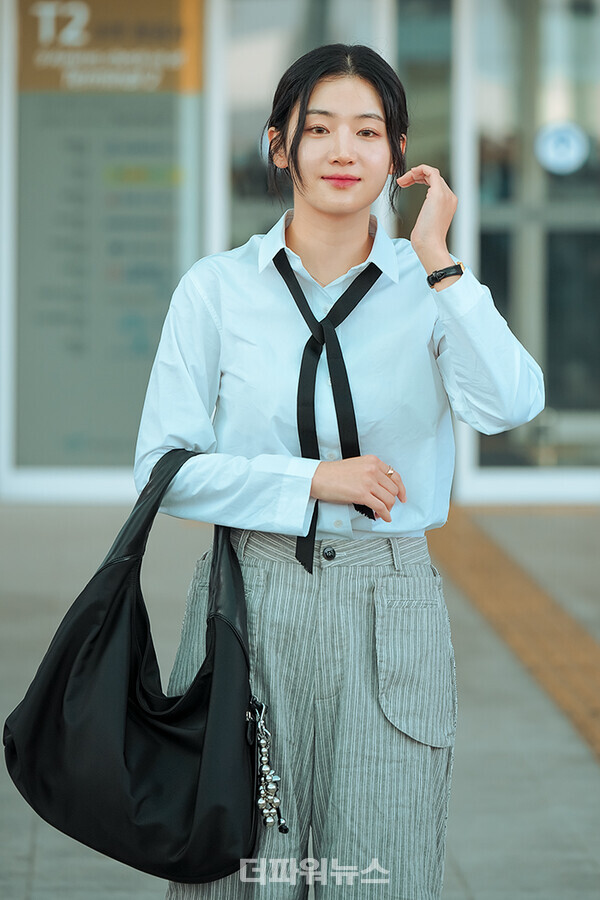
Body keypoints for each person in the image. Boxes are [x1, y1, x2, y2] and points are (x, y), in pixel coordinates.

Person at [134, 43, 544, 900]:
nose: (343, 151)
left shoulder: (425, 285)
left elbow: (510, 404)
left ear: (399, 155)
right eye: (318, 129)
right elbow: (164, 470)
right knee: (237, 874)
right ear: (279, 145)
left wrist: (439, 258)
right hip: (250, 598)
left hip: (388, 603)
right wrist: (310, 482)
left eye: (368, 130)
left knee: (379, 874)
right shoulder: (216, 290)